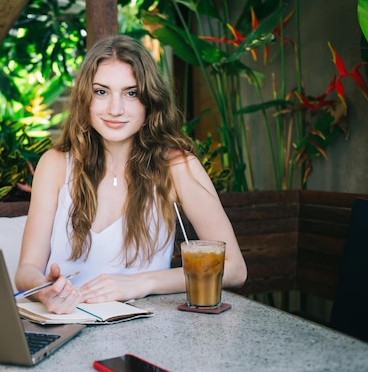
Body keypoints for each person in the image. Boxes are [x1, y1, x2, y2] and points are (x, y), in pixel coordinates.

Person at [15, 34, 247, 314]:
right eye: (102, 92)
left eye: (131, 93)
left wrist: (139, 283)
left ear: (150, 100)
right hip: (67, 325)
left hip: (145, 334)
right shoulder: (54, 165)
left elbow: (234, 269)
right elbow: (26, 270)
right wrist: (45, 291)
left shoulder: (177, 167)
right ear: (85, 98)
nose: (115, 109)